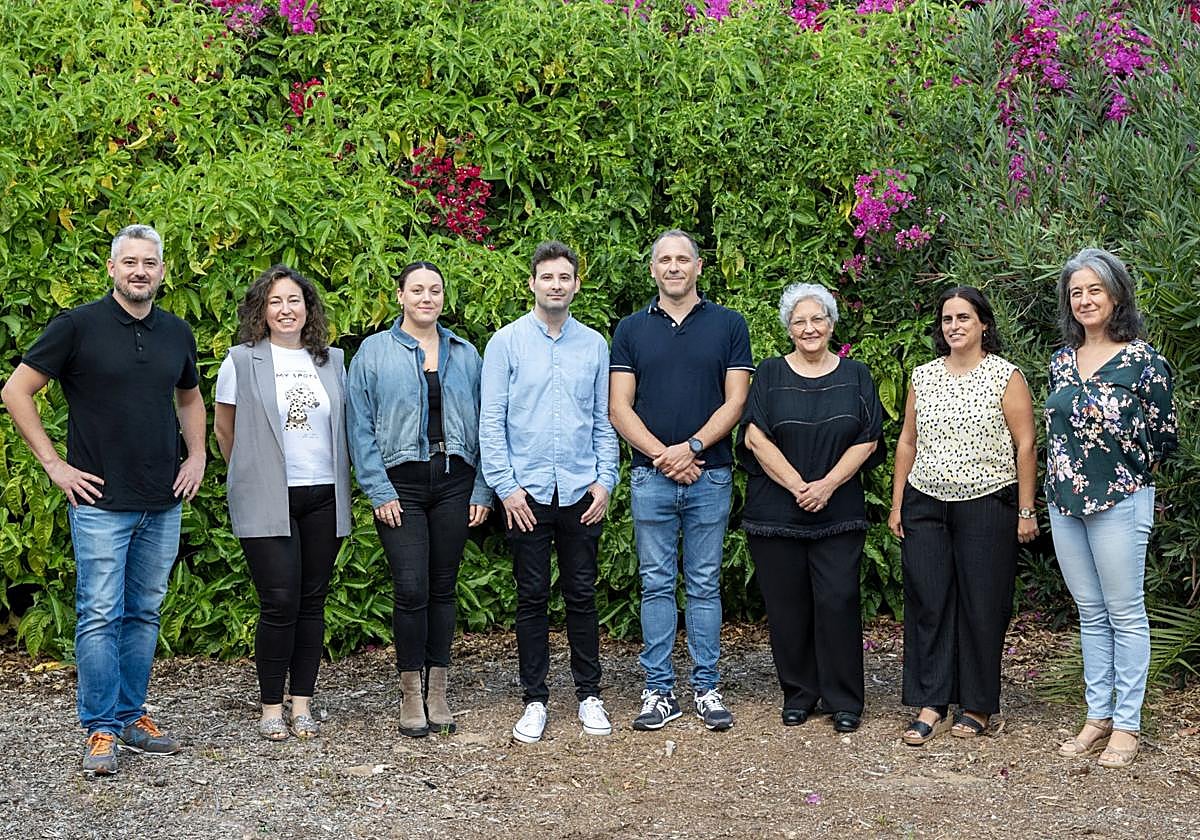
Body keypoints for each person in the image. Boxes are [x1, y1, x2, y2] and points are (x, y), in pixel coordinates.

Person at [2, 225, 206, 776]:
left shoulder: (176, 331)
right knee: (99, 614)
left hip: (162, 499)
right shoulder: (76, 326)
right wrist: (54, 465)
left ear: (162, 272)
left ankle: (132, 715)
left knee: (143, 612)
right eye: (130, 262)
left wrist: (196, 456)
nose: (141, 271)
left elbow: (189, 397)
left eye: (150, 263)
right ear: (113, 268)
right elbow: (16, 391)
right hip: (98, 502)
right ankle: (100, 728)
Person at [610, 229, 754, 732]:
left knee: (704, 584)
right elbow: (618, 407)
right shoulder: (630, 329)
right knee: (654, 584)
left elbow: (736, 401)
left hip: (708, 475)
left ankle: (707, 688)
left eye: (682, 259)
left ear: (698, 267)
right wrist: (663, 455)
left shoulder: (729, 324)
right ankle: (658, 691)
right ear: (653, 269)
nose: (673, 267)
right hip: (650, 477)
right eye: (664, 260)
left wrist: (691, 448)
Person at [479, 241, 619, 744]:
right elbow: (491, 422)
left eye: (564, 277)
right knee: (532, 596)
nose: (556, 285)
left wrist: (606, 480)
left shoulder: (594, 345)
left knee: (582, 595)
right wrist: (506, 488)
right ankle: (534, 700)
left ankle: (589, 695)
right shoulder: (506, 343)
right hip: (526, 495)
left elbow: (603, 418)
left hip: (581, 490)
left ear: (576, 284)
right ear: (532, 283)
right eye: (547, 277)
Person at [347, 261, 492, 738]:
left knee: (444, 587)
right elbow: (359, 427)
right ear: (400, 296)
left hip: (455, 481)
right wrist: (378, 489)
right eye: (417, 290)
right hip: (400, 485)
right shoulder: (373, 352)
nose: (426, 298)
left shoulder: (465, 353)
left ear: (443, 297)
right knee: (411, 588)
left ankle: (439, 690)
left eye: (435, 290)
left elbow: (487, 424)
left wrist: (482, 488)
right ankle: (410, 691)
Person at [888, 286, 1038, 745]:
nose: (954, 326)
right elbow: (907, 441)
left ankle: (977, 704)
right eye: (947, 319)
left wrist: (1026, 509)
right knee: (928, 602)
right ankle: (931, 703)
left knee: (981, 605)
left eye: (964, 317)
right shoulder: (923, 376)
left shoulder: (1005, 376)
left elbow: (1026, 445)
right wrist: (898, 503)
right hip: (925, 502)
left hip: (987, 502)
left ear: (984, 324)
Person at [1046, 248, 1176, 769]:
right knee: (1091, 613)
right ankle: (1097, 716)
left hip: (1120, 500)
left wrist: (1122, 473)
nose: (1084, 300)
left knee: (1125, 613)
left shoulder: (1143, 360)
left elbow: (1163, 436)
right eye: (1075, 292)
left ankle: (1127, 725)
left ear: (1116, 295)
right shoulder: (1061, 361)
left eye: (1094, 290)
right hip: (1064, 502)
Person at [738, 284, 884, 733]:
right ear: (789, 329)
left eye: (817, 319)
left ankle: (844, 699)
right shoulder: (769, 373)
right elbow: (755, 436)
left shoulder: (856, 375)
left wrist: (827, 486)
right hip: (776, 513)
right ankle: (799, 694)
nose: (809, 328)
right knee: (788, 607)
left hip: (838, 511)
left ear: (832, 324)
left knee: (838, 601)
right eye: (799, 321)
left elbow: (869, 438)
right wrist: (799, 486)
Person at [213, 265, 351, 741]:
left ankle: (303, 703)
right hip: (267, 495)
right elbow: (224, 431)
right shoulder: (240, 361)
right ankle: (271, 706)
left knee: (312, 602)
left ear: (308, 309)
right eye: (275, 301)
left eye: (294, 300)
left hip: (324, 494)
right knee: (279, 601)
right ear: (262, 310)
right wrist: (254, 473)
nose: (286, 309)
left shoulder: (331, 361)